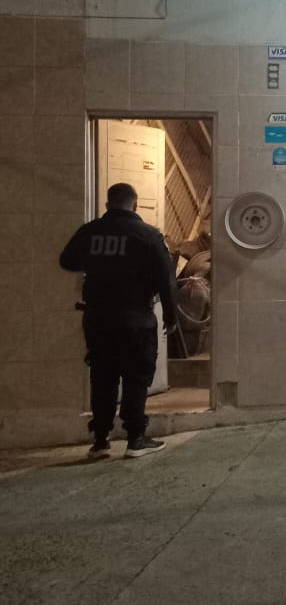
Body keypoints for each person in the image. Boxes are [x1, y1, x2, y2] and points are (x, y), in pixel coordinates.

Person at [60, 182, 178, 459]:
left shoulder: (89, 232)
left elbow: (67, 261)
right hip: (136, 319)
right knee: (136, 377)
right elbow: (166, 279)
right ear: (135, 205)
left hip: (98, 319)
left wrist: (97, 264)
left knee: (103, 376)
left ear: (107, 204)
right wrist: (171, 315)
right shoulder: (148, 235)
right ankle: (136, 439)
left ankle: (100, 441)